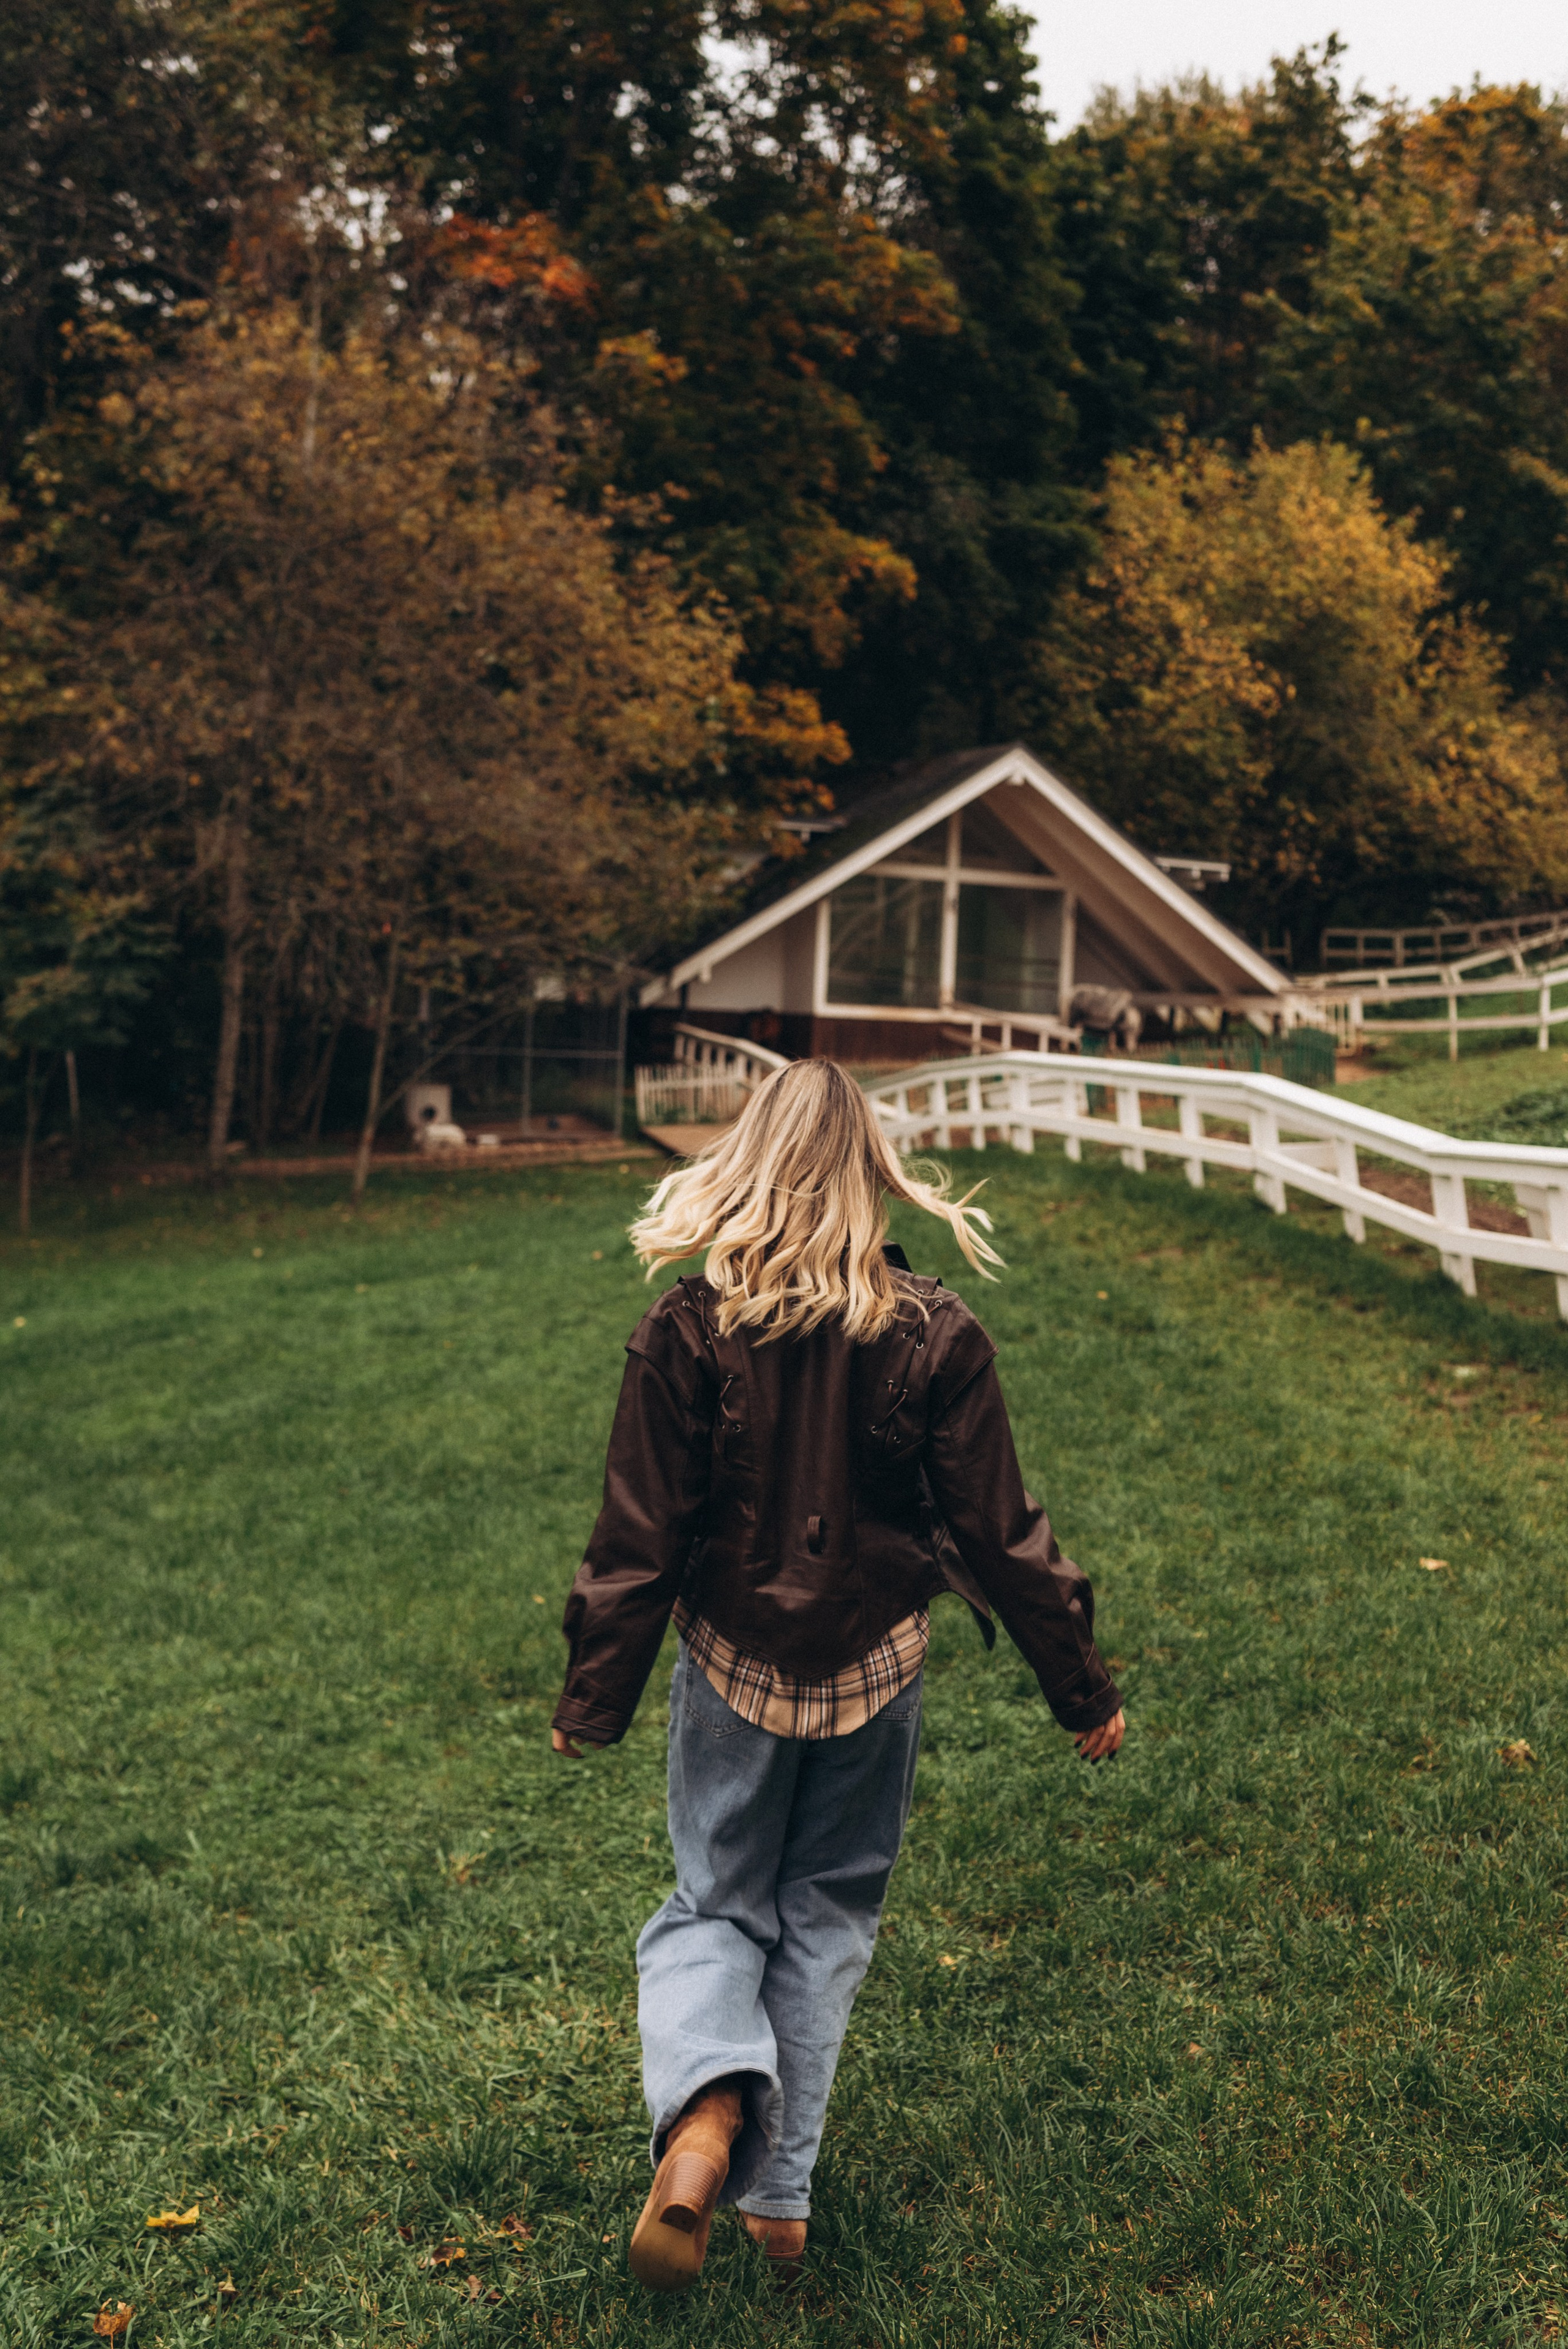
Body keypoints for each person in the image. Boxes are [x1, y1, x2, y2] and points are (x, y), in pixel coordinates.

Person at [550, 1058, 1126, 2292]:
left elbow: (637, 1532)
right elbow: (1000, 1533)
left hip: (729, 1664)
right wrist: (1081, 1687)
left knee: (717, 1903)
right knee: (827, 1913)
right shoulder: (935, 1331)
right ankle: (780, 2201)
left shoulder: (683, 1329)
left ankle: (704, 2118)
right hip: (875, 1666)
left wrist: (592, 1696)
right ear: (871, 1169)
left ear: (745, 1161)